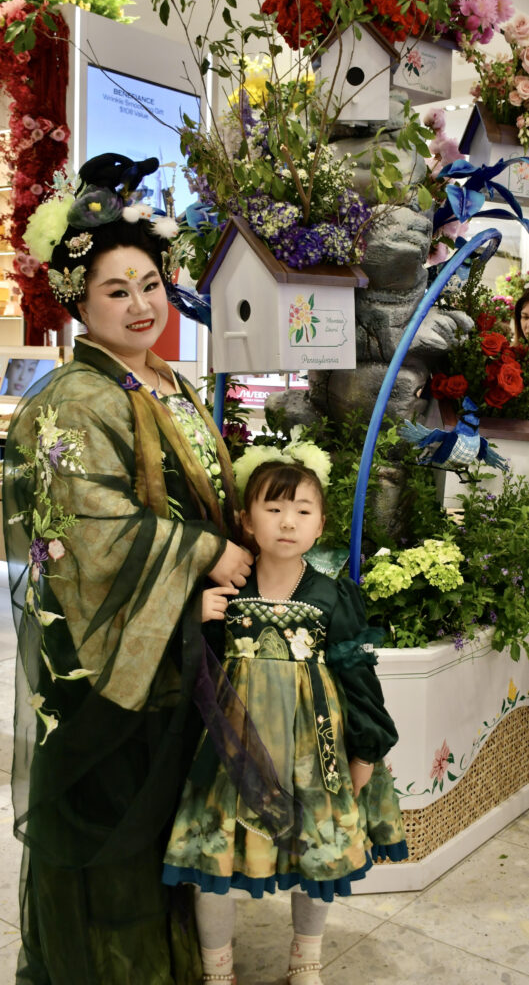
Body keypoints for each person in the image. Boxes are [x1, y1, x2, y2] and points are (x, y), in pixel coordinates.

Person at [3, 152, 253, 985]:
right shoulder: (74, 399)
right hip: (108, 656)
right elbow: (86, 531)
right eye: (117, 291)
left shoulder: (162, 380)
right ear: (79, 302)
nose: (142, 305)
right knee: (111, 827)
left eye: (150, 283)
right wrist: (206, 550)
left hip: (171, 640)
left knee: (163, 824)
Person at [163, 453, 407, 985]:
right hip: (231, 755)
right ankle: (217, 970)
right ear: (247, 521)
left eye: (302, 510)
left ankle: (306, 962)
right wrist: (190, 619)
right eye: (273, 509)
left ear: (321, 525)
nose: (288, 522)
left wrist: (366, 749)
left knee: (316, 860)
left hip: (314, 755)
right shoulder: (224, 592)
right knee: (212, 860)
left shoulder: (332, 595)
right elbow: (191, 672)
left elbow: (358, 676)